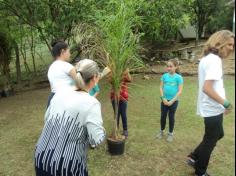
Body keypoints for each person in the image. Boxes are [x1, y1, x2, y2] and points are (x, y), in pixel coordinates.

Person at [34, 59, 106, 176]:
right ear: (94, 78)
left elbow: (46, 119)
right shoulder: (92, 103)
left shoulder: (59, 92)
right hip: (66, 167)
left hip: (41, 157)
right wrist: (103, 131)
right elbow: (96, 140)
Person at [186, 30, 234, 176]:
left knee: (218, 134)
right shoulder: (214, 60)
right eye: (230, 45)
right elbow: (207, 88)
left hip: (212, 107)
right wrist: (225, 103)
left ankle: (194, 156)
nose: (232, 48)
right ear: (220, 43)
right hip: (212, 108)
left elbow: (212, 86)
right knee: (210, 140)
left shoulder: (207, 58)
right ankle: (200, 171)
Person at [156, 58, 183, 142]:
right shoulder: (164, 76)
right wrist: (163, 98)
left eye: (171, 66)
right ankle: (161, 131)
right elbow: (161, 87)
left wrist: (172, 101)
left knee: (171, 117)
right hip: (164, 100)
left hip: (174, 102)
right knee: (163, 116)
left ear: (176, 67)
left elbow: (180, 91)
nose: (168, 68)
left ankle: (170, 133)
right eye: (167, 66)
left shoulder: (179, 77)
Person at [47, 40, 78, 107]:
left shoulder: (51, 68)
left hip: (53, 101)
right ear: (62, 52)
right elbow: (79, 84)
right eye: (69, 51)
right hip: (66, 101)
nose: (70, 54)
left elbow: (53, 88)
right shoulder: (68, 66)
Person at [110, 68, 132, 138]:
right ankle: (116, 130)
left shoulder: (124, 72)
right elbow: (110, 80)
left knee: (123, 113)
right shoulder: (113, 73)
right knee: (116, 114)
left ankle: (125, 130)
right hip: (114, 96)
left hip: (123, 96)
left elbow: (130, 80)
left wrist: (127, 72)